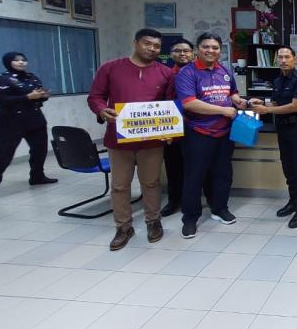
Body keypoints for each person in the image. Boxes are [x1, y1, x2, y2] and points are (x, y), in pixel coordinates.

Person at [87, 29, 174, 250]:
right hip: (119, 138)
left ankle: (153, 221)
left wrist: (171, 128)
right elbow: (95, 97)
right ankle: (123, 227)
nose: (152, 49)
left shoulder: (165, 73)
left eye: (157, 46)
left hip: (152, 140)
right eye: (147, 43)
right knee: (119, 185)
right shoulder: (110, 68)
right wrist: (101, 110)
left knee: (151, 183)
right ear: (135, 43)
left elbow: (171, 103)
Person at [176, 32, 245, 239]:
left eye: (215, 47)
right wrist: (223, 110)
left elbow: (232, 92)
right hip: (198, 133)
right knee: (194, 177)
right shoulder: (187, 73)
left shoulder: (224, 70)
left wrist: (238, 101)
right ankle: (190, 218)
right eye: (206, 47)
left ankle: (220, 208)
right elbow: (189, 103)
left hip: (224, 133)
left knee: (223, 174)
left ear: (219, 51)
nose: (210, 51)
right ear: (197, 49)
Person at [250, 46, 297, 228]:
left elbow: (294, 106)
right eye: (280, 57)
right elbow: (276, 102)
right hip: (282, 129)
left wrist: (266, 110)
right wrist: (262, 102)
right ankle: (293, 202)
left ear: (295, 59)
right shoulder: (277, 80)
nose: (283, 60)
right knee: (288, 169)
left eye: (287, 57)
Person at [0, 52, 56, 191]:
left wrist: (43, 96)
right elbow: (0, 100)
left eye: (23, 60)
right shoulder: (0, 78)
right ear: (8, 62)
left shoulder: (31, 77)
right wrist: (27, 97)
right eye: (16, 60)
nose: (21, 62)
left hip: (35, 119)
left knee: (39, 150)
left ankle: (37, 177)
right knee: (3, 155)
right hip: (10, 122)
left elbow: (37, 96)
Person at [160, 38, 206, 217]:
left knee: (197, 168)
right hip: (171, 127)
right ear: (171, 54)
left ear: (193, 53)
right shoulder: (165, 74)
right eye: (177, 51)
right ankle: (174, 201)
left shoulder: (200, 72)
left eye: (186, 51)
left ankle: (196, 201)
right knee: (173, 167)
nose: (182, 54)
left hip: (196, 126)